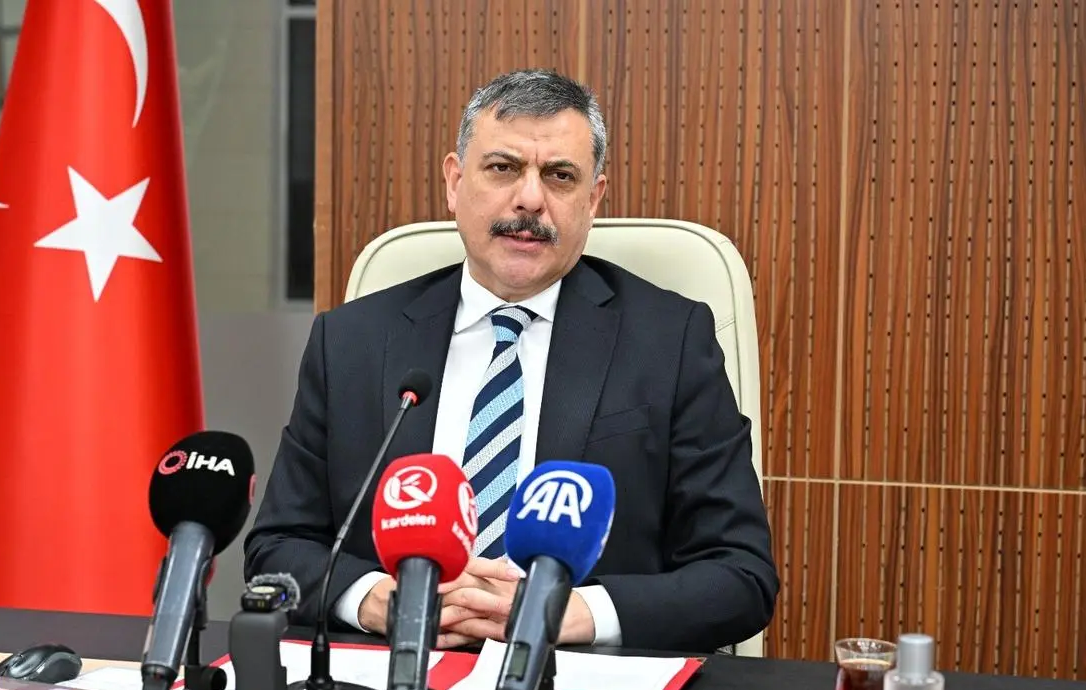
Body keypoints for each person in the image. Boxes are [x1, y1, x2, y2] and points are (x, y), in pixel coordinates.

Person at [244, 68, 778, 653]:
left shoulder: (669, 341)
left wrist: (575, 612)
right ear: (455, 182)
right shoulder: (352, 340)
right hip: (396, 672)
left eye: (560, 176)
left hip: (576, 677)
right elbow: (278, 547)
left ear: (593, 198)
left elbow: (740, 575)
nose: (529, 199)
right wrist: (376, 600)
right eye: (502, 168)